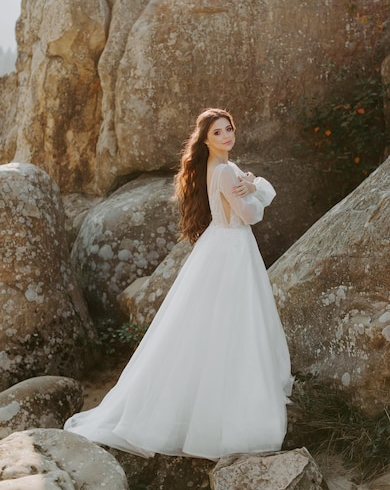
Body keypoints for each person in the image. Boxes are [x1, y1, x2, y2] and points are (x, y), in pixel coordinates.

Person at [64, 107, 293, 460]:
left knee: (209, 327)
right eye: (217, 132)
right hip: (232, 249)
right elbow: (249, 215)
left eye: (229, 128)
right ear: (205, 139)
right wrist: (259, 187)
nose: (226, 136)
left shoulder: (210, 168)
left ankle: (202, 409)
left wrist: (247, 185)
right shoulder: (228, 170)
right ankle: (233, 417)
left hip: (219, 245)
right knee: (237, 326)